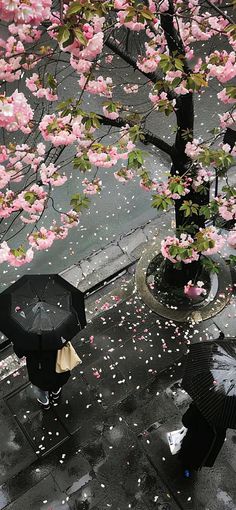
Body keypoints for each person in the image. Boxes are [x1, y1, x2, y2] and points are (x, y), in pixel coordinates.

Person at [13, 340, 70, 410]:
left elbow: (20, 353)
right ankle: (56, 394)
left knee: (39, 387)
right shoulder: (54, 334)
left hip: (38, 368)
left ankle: (45, 403)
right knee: (57, 381)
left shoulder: (26, 338)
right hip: (56, 362)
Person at [178, 402, 226, 476]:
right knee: (193, 461)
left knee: (185, 461)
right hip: (203, 453)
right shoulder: (226, 415)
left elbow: (186, 421)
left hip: (190, 445)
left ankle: (184, 469)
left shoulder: (203, 402)